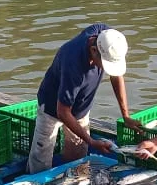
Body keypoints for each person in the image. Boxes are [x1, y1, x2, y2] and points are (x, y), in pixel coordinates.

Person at [29, 23, 143, 173]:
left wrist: (125, 115)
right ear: (94, 50)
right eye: (105, 64)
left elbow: (116, 76)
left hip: (81, 108)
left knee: (78, 157)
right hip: (52, 108)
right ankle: (36, 184)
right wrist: (91, 141)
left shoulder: (105, 35)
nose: (103, 69)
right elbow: (62, 112)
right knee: (41, 157)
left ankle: (73, 182)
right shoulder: (73, 65)